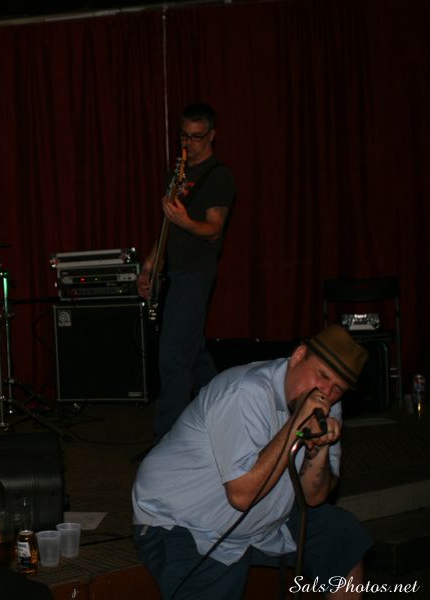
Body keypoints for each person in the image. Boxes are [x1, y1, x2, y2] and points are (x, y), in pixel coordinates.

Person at [132, 325, 373, 599]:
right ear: (298, 356)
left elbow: (313, 497)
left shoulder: (328, 405)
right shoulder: (246, 391)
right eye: (322, 375)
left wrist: (318, 447)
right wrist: (296, 424)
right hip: (184, 524)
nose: (326, 392)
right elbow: (242, 496)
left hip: (264, 524)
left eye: (338, 388)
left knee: (341, 534)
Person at [136, 102, 237, 440]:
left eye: (196, 137)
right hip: (175, 272)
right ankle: (229, 413)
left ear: (211, 136)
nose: (188, 144)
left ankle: (167, 440)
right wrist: (150, 265)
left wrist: (184, 220)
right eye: (184, 136)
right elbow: (166, 229)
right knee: (193, 354)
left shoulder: (218, 175)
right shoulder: (177, 174)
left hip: (195, 273)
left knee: (174, 356)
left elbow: (214, 230)